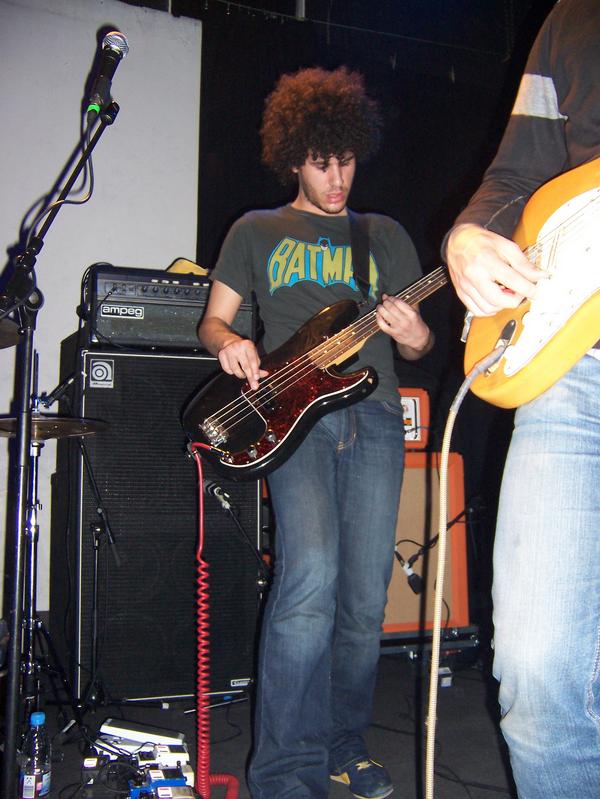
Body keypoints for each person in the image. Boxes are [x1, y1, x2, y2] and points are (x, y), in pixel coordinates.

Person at [199, 66, 434, 799]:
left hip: (373, 412)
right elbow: (213, 320)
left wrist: (416, 333)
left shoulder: (383, 235)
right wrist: (229, 344)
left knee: (364, 598)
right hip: (290, 419)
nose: (337, 179)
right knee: (309, 578)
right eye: (321, 163)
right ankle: (284, 771)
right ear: (293, 157)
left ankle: (342, 745)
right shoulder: (255, 230)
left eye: (347, 161)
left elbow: (418, 346)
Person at [444, 1, 600, 797]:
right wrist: (467, 236)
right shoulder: (572, 17)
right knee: (537, 672)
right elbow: (516, 176)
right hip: (574, 363)